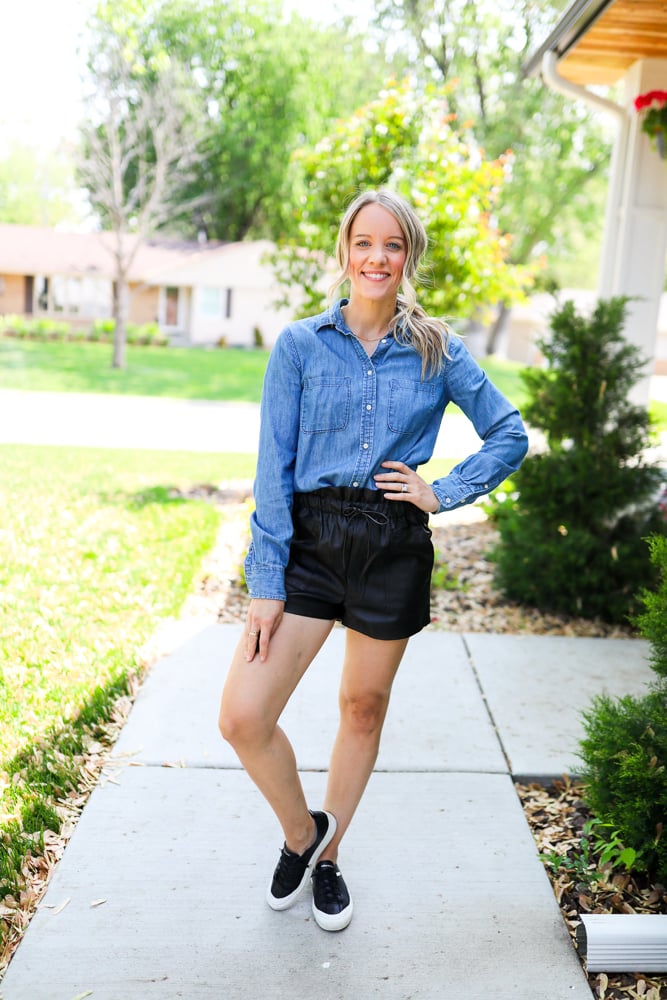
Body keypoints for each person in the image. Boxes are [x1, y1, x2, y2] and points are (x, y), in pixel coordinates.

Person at [218, 188, 528, 933]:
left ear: (407, 256)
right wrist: (265, 583)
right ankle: (304, 833)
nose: (377, 258)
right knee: (242, 716)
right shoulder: (299, 345)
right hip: (310, 546)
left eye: (392, 245)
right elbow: (273, 467)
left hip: (391, 544)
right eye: (365, 243)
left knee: (362, 708)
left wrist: (442, 490)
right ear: (345, 252)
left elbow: (508, 433)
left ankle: (329, 862)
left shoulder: (437, 348)